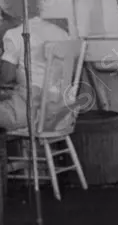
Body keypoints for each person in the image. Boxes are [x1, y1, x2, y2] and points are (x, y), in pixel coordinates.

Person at [0, 0, 69, 131]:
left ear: (11, 14)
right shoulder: (61, 33)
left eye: (3, 16)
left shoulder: (15, 34)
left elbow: (6, 78)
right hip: (59, 112)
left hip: (28, 114)